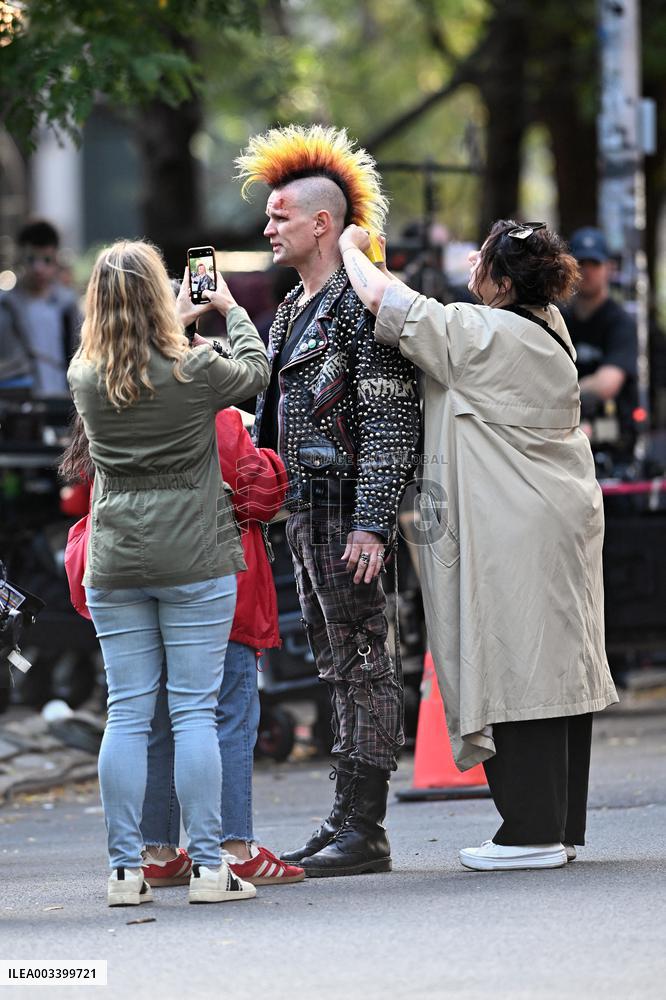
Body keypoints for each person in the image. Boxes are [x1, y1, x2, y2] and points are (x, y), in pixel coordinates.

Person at [339, 219, 618, 872]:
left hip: (514, 528)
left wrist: (353, 250)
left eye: (483, 263)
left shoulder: (483, 335)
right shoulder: (546, 327)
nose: (471, 269)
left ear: (499, 280)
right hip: (556, 517)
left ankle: (530, 833)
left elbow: (387, 302)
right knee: (557, 671)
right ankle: (557, 827)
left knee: (515, 666)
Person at [235, 124, 421, 877]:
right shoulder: (288, 310)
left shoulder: (358, 304)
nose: (267, 226)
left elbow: (389, 418)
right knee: (337, 663)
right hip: (306, 514)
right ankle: (346, 816)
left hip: (348, 511)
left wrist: (375, 522)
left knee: (365, 661)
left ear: (324, 223)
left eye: (281, 215)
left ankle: (366, 827)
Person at [67, 240, 270, 906]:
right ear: (162, 295)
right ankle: (211, 869)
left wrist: (173, 324)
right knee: (193, 714)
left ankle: (126, 871)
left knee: (127, 714)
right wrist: (227, 307)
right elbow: (257, 370)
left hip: (117, 559)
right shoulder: (198, 370)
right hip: (195, 558)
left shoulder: (84, 375)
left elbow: (135, 365)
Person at [561, 227, 638, 457]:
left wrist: (557, 394)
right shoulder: (558, 319)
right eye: (581, 263)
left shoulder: (620, 322)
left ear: (608, 269)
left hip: (613, 440)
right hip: (565, 438)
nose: (587, 271)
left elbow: (607, 384)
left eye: (594, 263)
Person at [0, 219, 81, 396]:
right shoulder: (5, 306)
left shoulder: (67, 305)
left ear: (56, 260)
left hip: (62, 405)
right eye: (31, 259)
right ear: (20, 257)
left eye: (46, 260)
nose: (39, 269)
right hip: (19, 408)